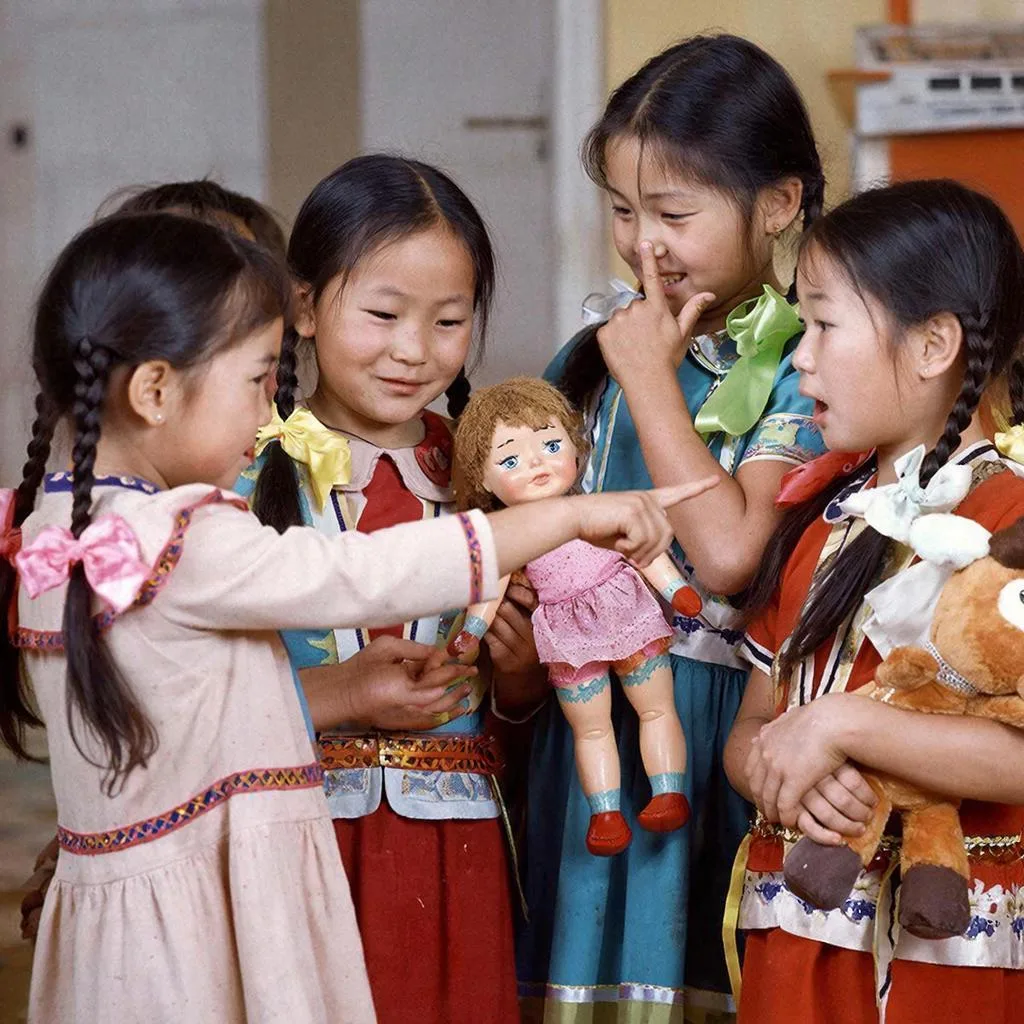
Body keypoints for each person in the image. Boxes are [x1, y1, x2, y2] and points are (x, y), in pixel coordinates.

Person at [0, 212, 712, 1022]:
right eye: (257, 381)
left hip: (115, 923)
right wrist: (571, 516)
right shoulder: (182, 535)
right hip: (197, 918)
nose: (268, 410)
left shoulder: (48, 531)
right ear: (155, 392)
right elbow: (361, 575)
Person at [518, 35, 827, 1021]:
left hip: (707, 722)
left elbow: (731, 558)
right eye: (622, 211)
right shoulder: (594, 353)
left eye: (673, 213)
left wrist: (651, 376)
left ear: (777, 203)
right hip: (584, 722)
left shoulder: (805, 366)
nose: (642, 244)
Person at [726, 179, 1024, 1024]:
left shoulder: (1011, 520)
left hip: (941, 965)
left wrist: (843, 726)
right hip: (796, 946)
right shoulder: (818, 520)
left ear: (933, 345)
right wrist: (780, 775)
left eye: (825, 325)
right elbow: (752, 725)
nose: (801, 358)